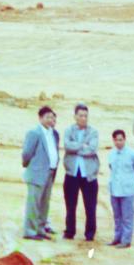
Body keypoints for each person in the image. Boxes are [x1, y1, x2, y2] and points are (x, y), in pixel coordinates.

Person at [21, 106, 59, 241]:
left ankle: (40, 229)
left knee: (44, 203)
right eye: (47, 117)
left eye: (51, 117)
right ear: (40, 118)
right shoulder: (34, 133)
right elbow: (26, 153)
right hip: (37, 173)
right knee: (33, 204)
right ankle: (30, 231)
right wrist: (29, 167)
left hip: (50, 172)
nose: (50, 120)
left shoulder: (52, 133)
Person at [63, 103, 99, 241]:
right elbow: (67, 145)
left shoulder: (93, 131)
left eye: (85, 116)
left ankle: (90, 233)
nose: (83, 118)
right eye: (80, 115)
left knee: (90, 206)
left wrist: (75, 146)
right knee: (70, 205)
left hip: (88, 175)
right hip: (72, 173)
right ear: (75, 116)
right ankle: (69, 231)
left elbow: (92, 149)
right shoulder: (69, 130)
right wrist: (82, 145)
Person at [108, 129, 134, 248]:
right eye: (117, 140)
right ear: (113, 141)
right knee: (117, 216)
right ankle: (117, 237)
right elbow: (111, 168)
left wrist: (133, 183)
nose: (119, 142)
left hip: (127, 190)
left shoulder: (132, 154)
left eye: (121, 140)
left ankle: (126, 240)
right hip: (115, 189)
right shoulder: (111, 153)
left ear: (125, 139)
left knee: (127, 216)